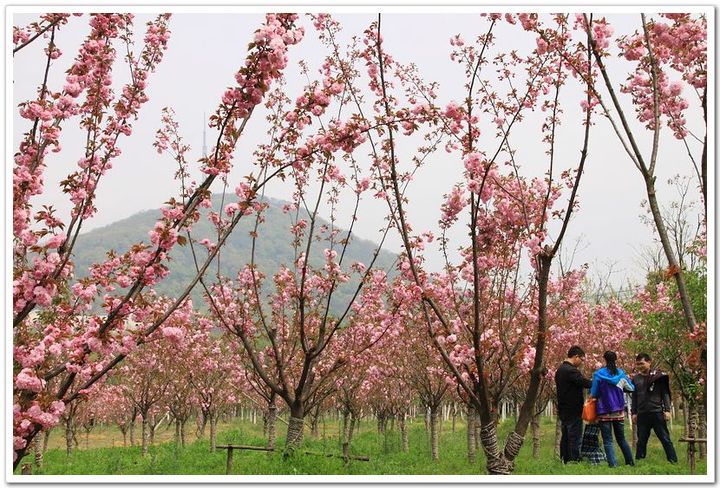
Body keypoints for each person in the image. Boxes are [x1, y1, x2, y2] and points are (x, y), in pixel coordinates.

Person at [631, 352, 678, 464]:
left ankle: (673, 462)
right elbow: (634, 396)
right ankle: (639, 463)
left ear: (649, 362)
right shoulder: (636, 379)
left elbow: (665, 393)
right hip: (642, 414)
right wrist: (634, 412)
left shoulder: (658, 377)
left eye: (642, 363)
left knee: (665, 439)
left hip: (657, 412)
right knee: (641, 440)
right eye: (637, 364)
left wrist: (667, 410)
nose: (640, 366)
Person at [590, 350, 635, 467]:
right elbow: (631, 388)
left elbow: (594, 393)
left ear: (604, 359)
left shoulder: (598, 374)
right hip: (618, 411)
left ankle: (613, 465)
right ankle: (630, 462)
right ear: (616, 359)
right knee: (621, 438)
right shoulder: (621, 374)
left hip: (603, 410)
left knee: (608, 440)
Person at [555, 345, 592, 463]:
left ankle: (565, 460)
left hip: (563, 409)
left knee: (565, 437)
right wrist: (599, 381)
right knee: (574, 437)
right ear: (576, 357)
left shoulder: (560, 370)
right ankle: (575, 461)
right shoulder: (571, 371)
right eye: (582, 359)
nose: (581, 362)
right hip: (573, 409)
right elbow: (585, 383)